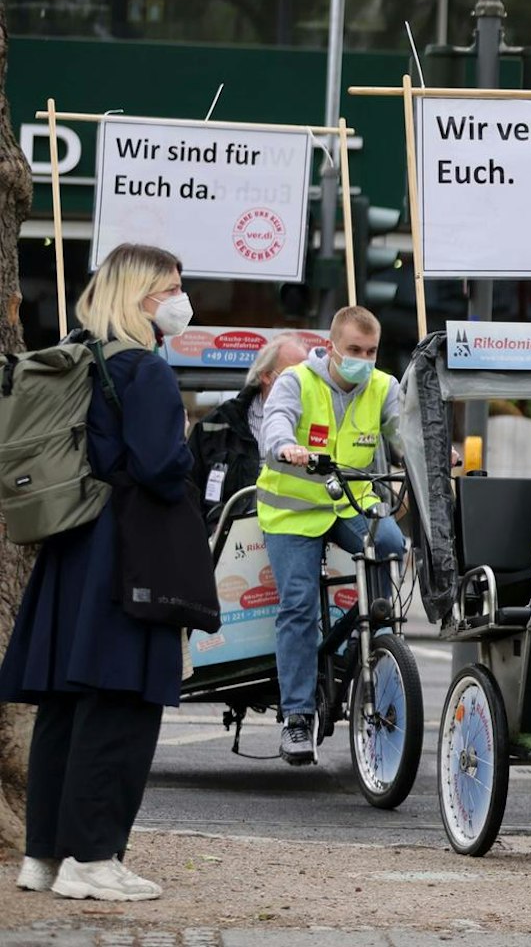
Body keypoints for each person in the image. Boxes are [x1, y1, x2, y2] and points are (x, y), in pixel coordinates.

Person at [0, 244, 192, 901]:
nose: (179, 298)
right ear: (142, 296)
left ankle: (45, 858)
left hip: (74, 548)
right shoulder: (147, 372)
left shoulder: (81, 359)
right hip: (129, 553)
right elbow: (162, 467)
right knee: (122, 704)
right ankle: (95, 859)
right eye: (171, 286)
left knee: (65, 705)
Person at [256, 305, 407, 766]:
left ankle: (379, 641)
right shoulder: (297, 380)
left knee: (391, 544)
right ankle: (297, 718)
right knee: (299, 603)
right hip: (293, 511)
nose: (364, 359)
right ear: (332, 347)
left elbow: (406, 437)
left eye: (372, 351)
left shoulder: (383, 387)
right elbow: (275, 421)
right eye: (354, 350)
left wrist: (437, 457)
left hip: (347, 503)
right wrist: (285, 446)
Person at [187, 333, 310, 526]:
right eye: (291, 375)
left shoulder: (319, 420)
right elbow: (190, 490)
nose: (299, 383)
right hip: (230, 535)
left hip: (298, 529)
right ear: (266, 375)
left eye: (307, 377)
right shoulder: (219, 424)